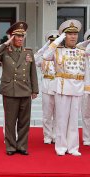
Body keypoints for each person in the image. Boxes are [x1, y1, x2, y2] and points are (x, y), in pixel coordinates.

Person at [0, 22, 39, 156]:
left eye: (22, 36)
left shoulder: (28, 52)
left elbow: (33, 72)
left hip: (25, 90)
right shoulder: (5, 51)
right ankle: (11, 146)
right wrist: (6, 43)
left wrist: (35, 89)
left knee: (24, 121)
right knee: (10, 121)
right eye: (17, 36)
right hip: (10, 91)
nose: (20, 39)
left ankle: (22, 145)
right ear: (12, 37)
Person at [43, 19, 87, 156]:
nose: (73, 36)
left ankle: (73, 147)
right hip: (62, 88)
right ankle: (61, 147)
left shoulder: (82, 51)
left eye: (75, 34)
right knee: (62, 119)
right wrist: (58, 40)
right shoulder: (58, 51)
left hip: (77, 88)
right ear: (64, 36)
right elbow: (45, 55)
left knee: (74, 120)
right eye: (69, 34)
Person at [34, 30, 59, 144]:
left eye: (55, 41)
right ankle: (47, 136)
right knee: (47, 114)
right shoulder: (44, 55)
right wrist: (44, 48)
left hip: (58, 86)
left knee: (58, 113)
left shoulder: (61, 53)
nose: (53, 43)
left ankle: (55, 135)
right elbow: (35, 59)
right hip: (46, 85)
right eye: (51, 41)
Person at [76, 29, 90, 146]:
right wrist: (87, 42)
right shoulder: (84, 52)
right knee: (85, 115)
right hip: (86, 88)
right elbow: (77, 46)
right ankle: (87, 138)